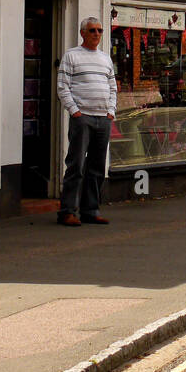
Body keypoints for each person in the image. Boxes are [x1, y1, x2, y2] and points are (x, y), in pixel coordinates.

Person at [57, 16, 118, 226]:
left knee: (97, 167)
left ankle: (90, 210)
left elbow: (113, 87)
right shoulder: (71, 56)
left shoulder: (105, 59)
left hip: (103, 119)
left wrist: (111, 111)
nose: (97, 34)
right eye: (92, 30)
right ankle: (67, 211)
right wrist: (75, 112)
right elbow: (63, 86)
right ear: (83, 33)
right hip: (82, 118)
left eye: (100, 30)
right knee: (76, 165)